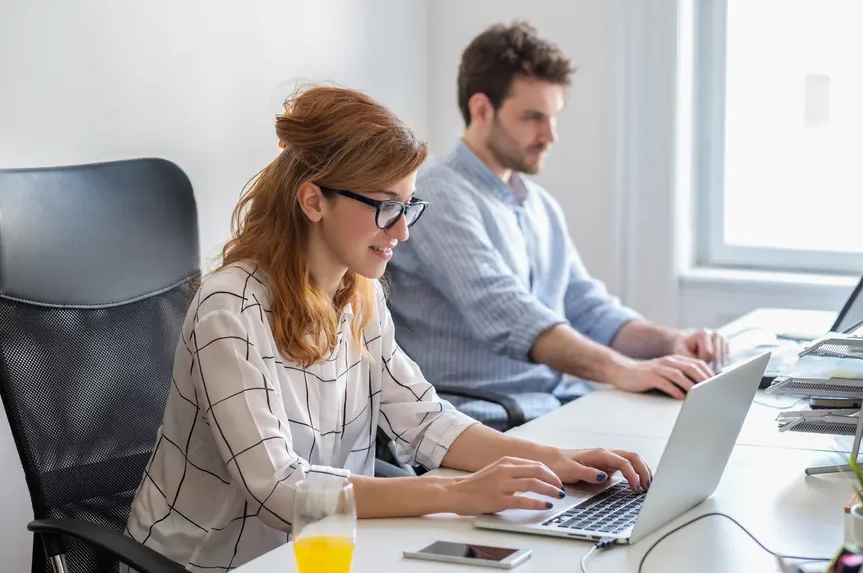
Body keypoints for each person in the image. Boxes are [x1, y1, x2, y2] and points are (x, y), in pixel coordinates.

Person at [123, 85, 651, 570]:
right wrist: (456, 494)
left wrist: (560, 462)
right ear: (313, 201)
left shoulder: (360, 293)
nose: (402, 229)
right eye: (384, 207)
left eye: (408, 206)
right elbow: (280, 489)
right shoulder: (230, 309)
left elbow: (424, 420)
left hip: (319, 553)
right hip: (210, 563)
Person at [386, 22, 729, 429]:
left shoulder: (538, 206)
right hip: (485, 420)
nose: (549, 135)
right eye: (532, 117)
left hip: (552, 406)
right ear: (481, 109)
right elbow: (508, 312)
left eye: (553, 117)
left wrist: (671, 341)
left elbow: (587, 306)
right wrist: (622, 370)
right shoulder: (438, 196)